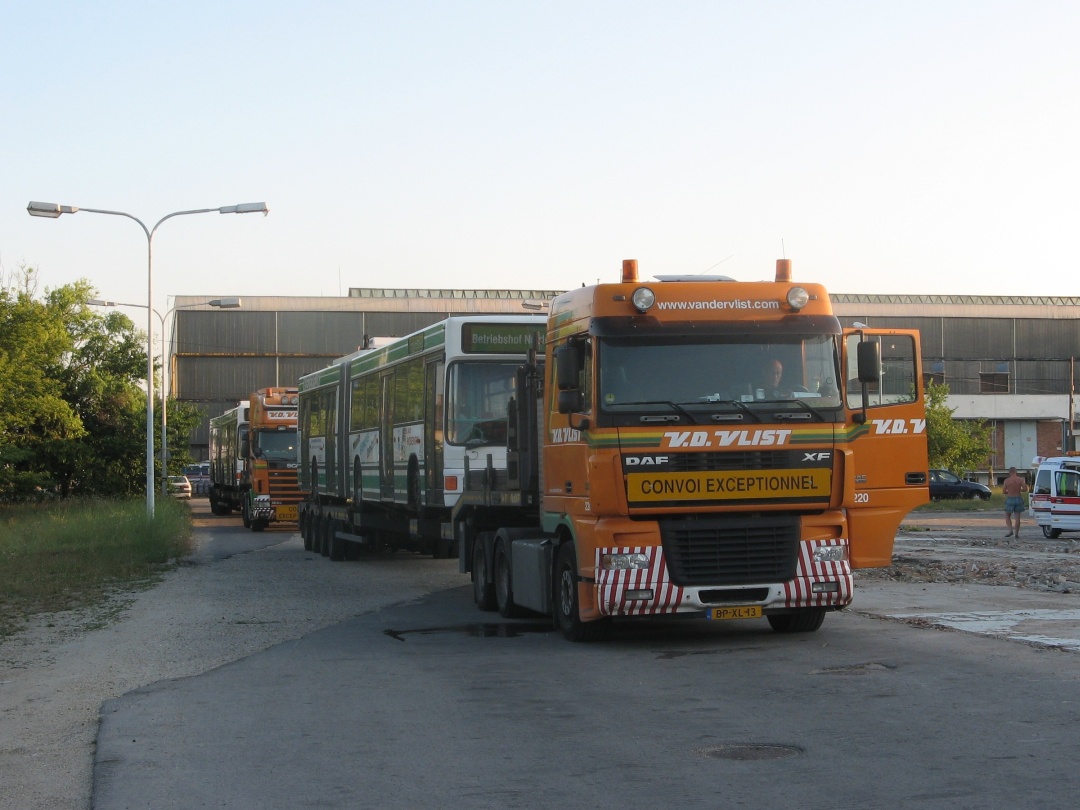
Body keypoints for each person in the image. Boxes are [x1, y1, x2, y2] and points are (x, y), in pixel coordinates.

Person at [1001, 467, 1028, 538]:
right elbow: (1025, 489)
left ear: (1009, 472)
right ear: (1016, 472)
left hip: (1010, 498)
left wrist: (1009, 491)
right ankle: (1016, 533)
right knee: (1017, 517)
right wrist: (1019, 490)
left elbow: (1003, 491)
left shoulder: (1007, 481)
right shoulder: (1021, 480)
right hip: (1018, 498)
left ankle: (1010, 530)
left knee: (1007, 515)